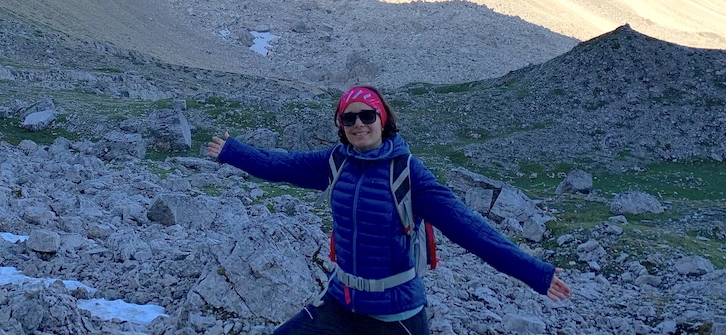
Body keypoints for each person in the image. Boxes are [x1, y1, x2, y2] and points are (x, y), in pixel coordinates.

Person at [207, 85, 571, 334]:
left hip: (395, 314)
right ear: (340, 125)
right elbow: (280, 166)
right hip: (341, 302)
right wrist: (233, 152)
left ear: (383, 120)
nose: (358, 124)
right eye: (348, 119)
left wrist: (534, 273)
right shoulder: (336, 161)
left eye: (367, 116)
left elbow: (469, 228)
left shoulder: (408, 172)